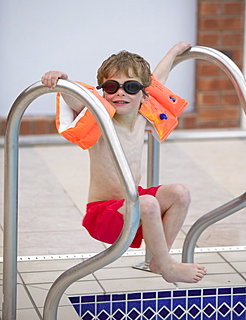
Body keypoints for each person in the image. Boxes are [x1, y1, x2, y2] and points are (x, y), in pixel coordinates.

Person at [41, 42, 206, 283]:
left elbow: (158, 78)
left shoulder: (142, 115)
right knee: (147, 203)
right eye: (111, 86)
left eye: (130, 87)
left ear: (144, 94)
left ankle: (159, 259)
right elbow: (75, 101)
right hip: (103, 214)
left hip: (133, 204)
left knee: (180, 193)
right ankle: (167, 265)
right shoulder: (99, 118)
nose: (120, 93)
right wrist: (62, 81)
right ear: (103, 92)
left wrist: (173, 52)